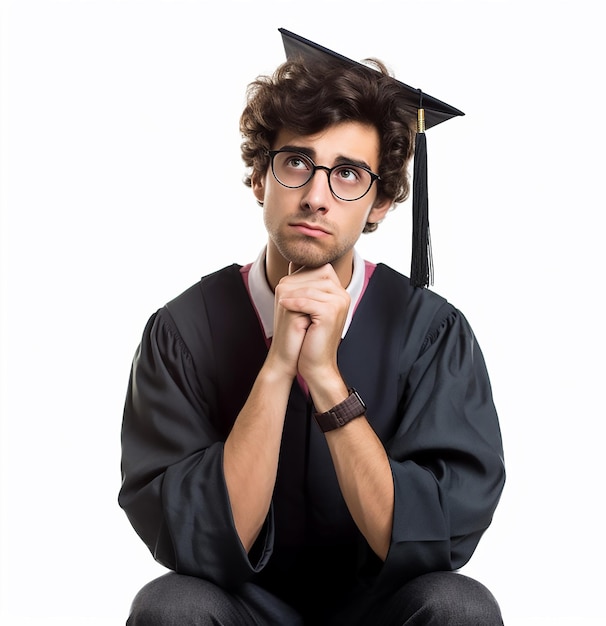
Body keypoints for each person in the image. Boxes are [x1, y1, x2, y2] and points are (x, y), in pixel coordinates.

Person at [118, 28, 506, 626]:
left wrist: (324, 377)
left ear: (379, 203)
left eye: (348, 173)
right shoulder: (184, 332)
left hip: (379, 614)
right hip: (242, 612)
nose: (317, 196)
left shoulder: (430, 333)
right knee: (172, 605)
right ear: (258, 178)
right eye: (296, 161)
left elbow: (432, 543)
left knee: (460, 607)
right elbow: (200, 543)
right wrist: (279, 364)